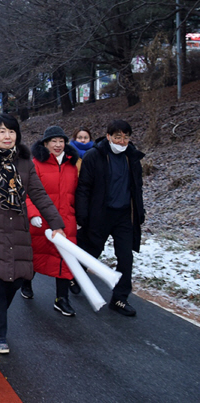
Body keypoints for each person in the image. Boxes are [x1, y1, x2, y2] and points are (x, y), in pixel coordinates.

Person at [0, 113, 65, 354]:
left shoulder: (25, 162)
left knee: (17, 278)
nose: (7, 136)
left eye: (11, 131)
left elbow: (39, 194)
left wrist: (56, 223)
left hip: (18, 226)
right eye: (1, 131)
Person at [76, 120, 145, 317]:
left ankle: (120, 298)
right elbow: (84, 188)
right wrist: (83, 215)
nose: (122, 141)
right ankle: (76, 276)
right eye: (117, 137)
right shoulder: (94, 156)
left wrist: (139, 212)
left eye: (126, 137)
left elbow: (137, 188)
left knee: (126, 257)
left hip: (124, 215)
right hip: (101, 213)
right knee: (91, 250)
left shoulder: (132, 157)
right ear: (108, 137)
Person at [24, 126, 81, 316]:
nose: (58, 145)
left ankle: (61, 298)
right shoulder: (35, 165)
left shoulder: (73, 165)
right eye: (53, 141)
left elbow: (77, 194)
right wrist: (33, 215)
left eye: (61, 141)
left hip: (66, 221)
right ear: (45, 144)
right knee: (35, 255)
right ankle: (26, 281)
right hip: (41, 220)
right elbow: (28, 194)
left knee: (65, 260)